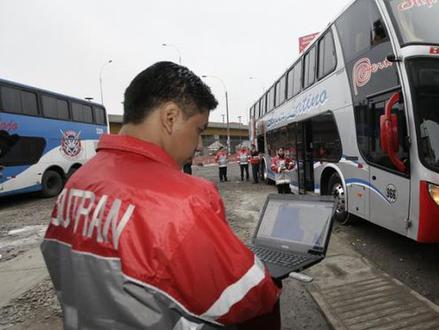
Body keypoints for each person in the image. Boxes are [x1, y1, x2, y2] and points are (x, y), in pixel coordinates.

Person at [41, 62, 281, 329]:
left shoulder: (76, 184)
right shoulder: (184, 199)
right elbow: (247, 298)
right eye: (199, 130)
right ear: (170, 117)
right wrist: (268, 280)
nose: (199, 144)